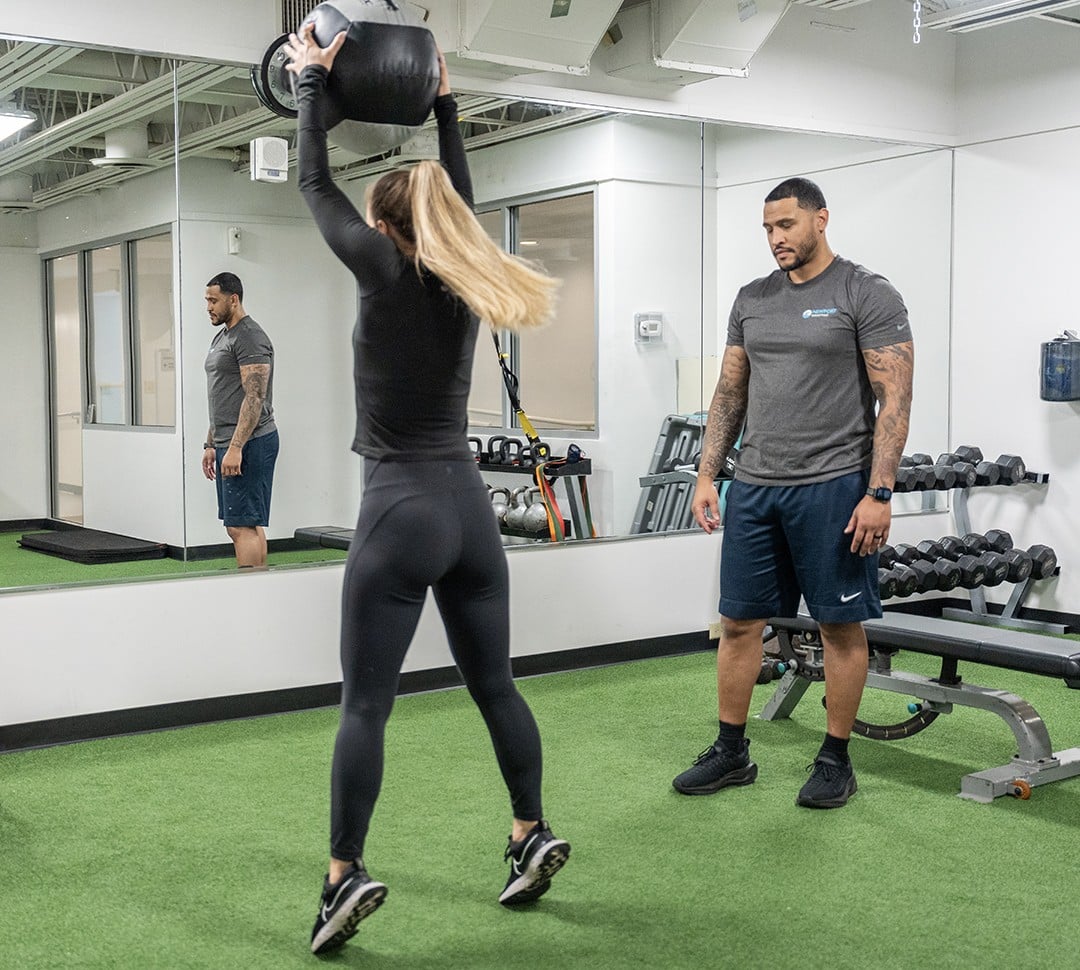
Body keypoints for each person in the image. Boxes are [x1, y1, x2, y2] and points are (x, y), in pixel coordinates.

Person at [284, 25, 570, 957]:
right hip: (469, 514)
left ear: (389, 226)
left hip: (401, 508)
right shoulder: (463, 272)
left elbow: (313, 186)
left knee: (365, 705)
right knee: (495, 685)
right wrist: (443, 102)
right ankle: (529, 830)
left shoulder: (383, 269)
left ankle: (342, 876)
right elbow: (461, 202)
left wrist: (310, 90)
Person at [672, 177, 914, 809]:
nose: (776, 238)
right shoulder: (752, 299)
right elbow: (730, 393)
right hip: (755, 485)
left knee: (839, 626)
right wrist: (707, 472)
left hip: (833, 486)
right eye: (768, 229)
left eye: (786, 225)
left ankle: (835, 759)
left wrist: (879, 492)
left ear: (820, 220)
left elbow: (895, 398)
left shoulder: (865, 291)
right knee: (738, 622)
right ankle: (731, 751)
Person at [201, 272, 279, 568]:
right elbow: (223, 394)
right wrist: (211, 443)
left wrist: (235, 448)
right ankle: (260, 589)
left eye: (213, 300)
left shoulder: (249, 337)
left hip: (251, 441)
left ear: (233, 300)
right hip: (229, 440)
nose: (208, 306)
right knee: (248, 523)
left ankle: (251, 593)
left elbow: (254, 398)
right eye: (206, 300)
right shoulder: (224, 335)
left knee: (240, 526)